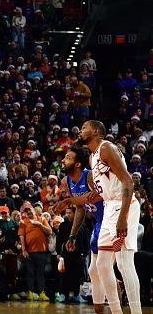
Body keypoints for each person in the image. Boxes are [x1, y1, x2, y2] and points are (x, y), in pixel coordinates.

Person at [78, 120, 142, 314]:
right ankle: (116, 311)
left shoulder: (106, 148)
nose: (81, 130)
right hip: (109, 208)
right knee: (102, 264)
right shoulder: (92, 157)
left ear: (96, 131)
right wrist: (71, 201)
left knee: (123, 263)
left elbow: (128, 181)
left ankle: (136, 311)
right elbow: (104, 191)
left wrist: (123, 217)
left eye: (85, 127)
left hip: (123, 207)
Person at [53, 145, 105, 312]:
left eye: (68, 158)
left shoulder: (89, 176)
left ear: (77, 164)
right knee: (94, 269)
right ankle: (101, 306)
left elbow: (102, 195)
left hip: (112, 220)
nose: (62, 160)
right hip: (99, 223)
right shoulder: (66, 182)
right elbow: (81, 208)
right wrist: (72, 236)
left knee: (107, 267)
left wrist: (68, 202)